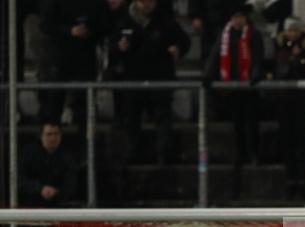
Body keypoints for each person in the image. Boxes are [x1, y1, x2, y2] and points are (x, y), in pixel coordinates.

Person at [109, 0, 191, 164]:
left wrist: (177, 50)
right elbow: (112, 46)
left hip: (160, 77)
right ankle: (133, 153)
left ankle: (163, 155)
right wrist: (119, 47)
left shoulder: (165, 21)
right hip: (133, 78)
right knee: (132, 118)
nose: (148, 5)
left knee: (162, 117)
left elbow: (184, 41)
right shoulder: (125, 21)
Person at [203, 4, 265, 170]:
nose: (238, 20)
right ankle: (240, 153)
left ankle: (254, 153)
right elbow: (216, 55)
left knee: (252, 121)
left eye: (240, 17)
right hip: (233, 86)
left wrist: (255, 75)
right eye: (235, 17)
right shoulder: (225, 35)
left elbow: (258, 58)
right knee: (237, 122)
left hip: (249, 86)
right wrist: (208, 74)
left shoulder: (254, 35)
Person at [40, 0, 111, 129]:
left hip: (86, 57)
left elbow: (106, 25)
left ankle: (85, 143)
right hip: (60, 56)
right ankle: (52, 140)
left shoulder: (96, 4)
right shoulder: (56, 4)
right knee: (55, 101)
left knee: (85, 102)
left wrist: (91, 32)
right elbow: (46, 26)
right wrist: (70, 31)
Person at [274, 17, 305, 200]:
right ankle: (291, 181)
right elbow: (280, 71)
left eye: (295, 30)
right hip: (285, 102)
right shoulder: (280, 48)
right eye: (289, 30)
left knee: (303, 144)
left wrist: (300, 58)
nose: (292, 34)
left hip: (303, 102)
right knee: (288, 143)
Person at [18, 122, 78, 208]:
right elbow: (19, 180)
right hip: (30, 207)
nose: (53, 138)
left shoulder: (67, 156)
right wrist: (39, 189)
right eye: (49, 134)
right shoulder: (28, 154)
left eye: (56, 134)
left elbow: (71, 184)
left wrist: (57, 191)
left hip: (58, 207)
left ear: (61, 136)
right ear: (41, 136)